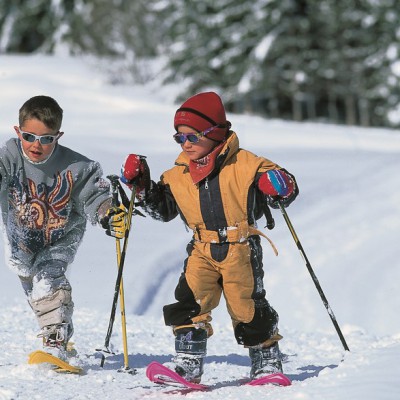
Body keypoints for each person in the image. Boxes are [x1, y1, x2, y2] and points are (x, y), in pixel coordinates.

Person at [117, 91, 298, 383]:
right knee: (189, 300)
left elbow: (284, 189)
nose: (185, 144)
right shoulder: (177, 174)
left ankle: (266, 359)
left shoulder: (247, 164)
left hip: (240, 247)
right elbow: (163, 211)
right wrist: (141, 188)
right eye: (179, 138)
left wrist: (280, 185)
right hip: (202, 248)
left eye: (192, 137)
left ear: (216, 133)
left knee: (246, 305)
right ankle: (188, 363)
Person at [0, 95, 114, 359]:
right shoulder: (10, 155)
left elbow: (95, 195)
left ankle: (55, 341)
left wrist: (107, 212)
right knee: (38, 294)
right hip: (20, 239)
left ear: (58, 136)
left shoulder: (77, 167)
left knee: (48, 280)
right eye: (29, 136)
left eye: (46, 139)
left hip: (61, 235)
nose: (36, 145)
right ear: (18, 132)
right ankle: (59, 324)